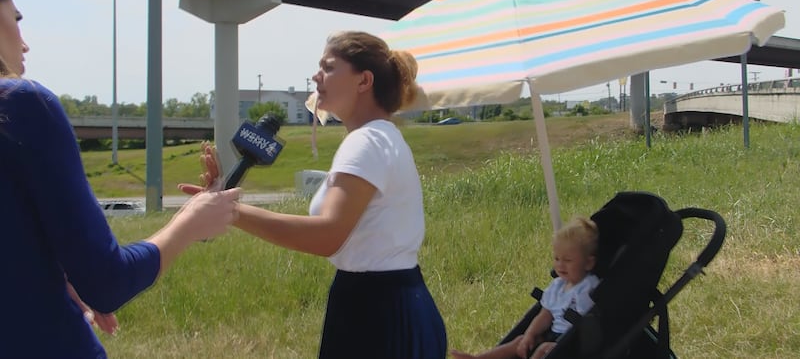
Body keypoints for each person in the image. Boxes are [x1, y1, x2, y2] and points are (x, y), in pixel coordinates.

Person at [0, 0, 241, 358]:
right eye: (16, 19)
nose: (24, 44)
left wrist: (49, 276)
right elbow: (108, 282)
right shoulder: (22, 105)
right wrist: (191, 222)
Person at [181, 31, 447, 359]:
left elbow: (327, 235)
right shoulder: (382, 138)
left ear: (364, 80)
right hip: (394, 304)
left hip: (376, 315)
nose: (315, 76)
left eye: (328, 67)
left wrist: (230, 211)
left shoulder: (366, 142)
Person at [450, 217, 600, 359]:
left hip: (573, 343)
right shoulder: (557, 286)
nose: (560, 265)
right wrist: (529, 335)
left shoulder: (590, 286)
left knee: (544, 350)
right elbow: (544, 315)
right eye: (557, 259)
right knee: (520, 340)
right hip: (552, 335)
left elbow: (590, 323)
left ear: (588, 263)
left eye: (568, 260)